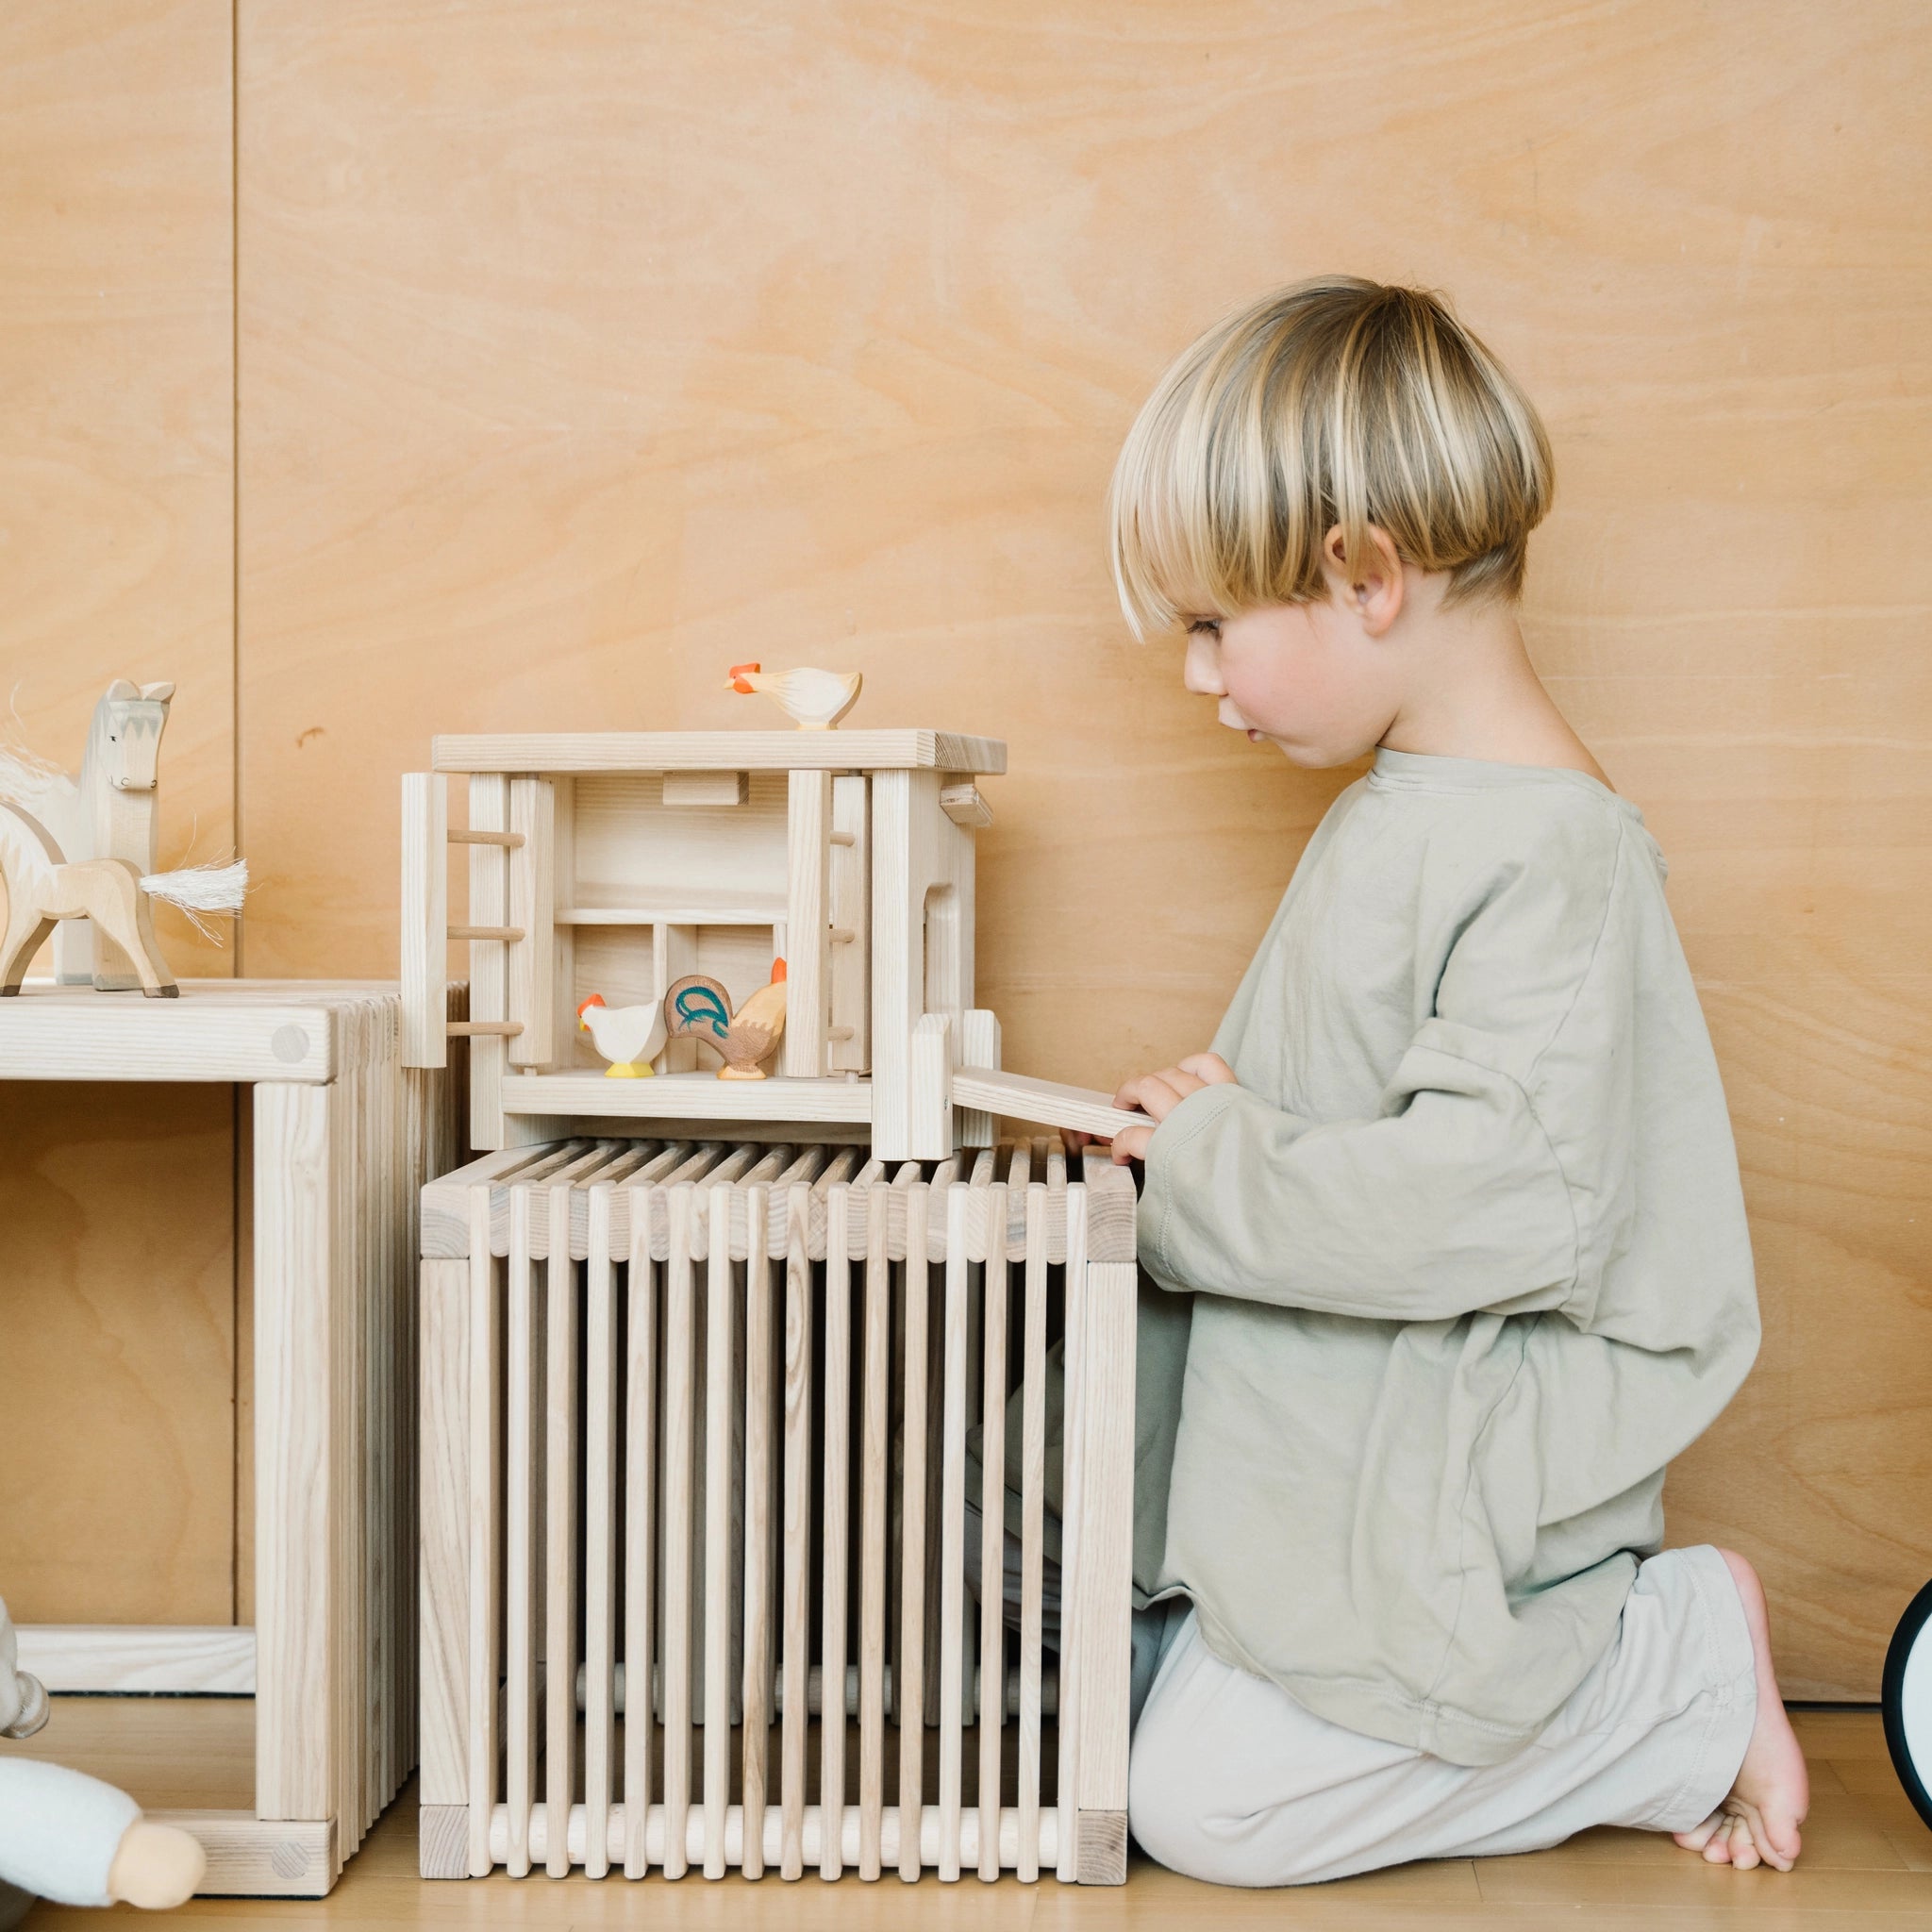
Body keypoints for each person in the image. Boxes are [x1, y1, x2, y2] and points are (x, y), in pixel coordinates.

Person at [1039, 275, 1809, 1885]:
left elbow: (1482, 1201)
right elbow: (1340, 1104)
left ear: (1364, 575)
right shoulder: (1411, 808)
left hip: (1446, 1452)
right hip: (1345, 1420)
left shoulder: (1554, 859)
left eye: (1210, 626)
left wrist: (1217, 1164)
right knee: (1092, 1733)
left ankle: (1673, 1669)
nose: (1198, 678)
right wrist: (1192, 1136)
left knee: (1207, 1815)